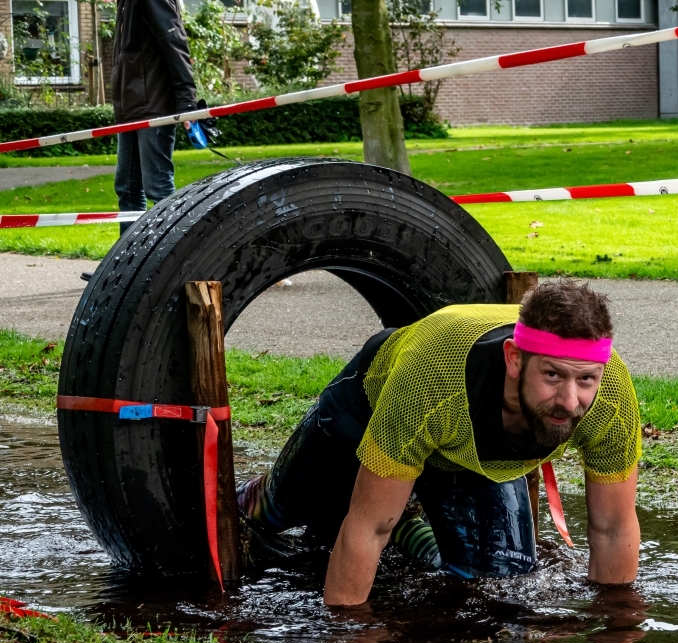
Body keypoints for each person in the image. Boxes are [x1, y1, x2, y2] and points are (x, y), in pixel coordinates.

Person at [237, 280, 644, 607]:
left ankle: (405, 521)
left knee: (496, 580)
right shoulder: (434, 378)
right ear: (514, 359)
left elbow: (613, 529)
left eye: (586, 379)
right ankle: (254, 495)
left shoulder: (611, 397)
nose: (570, 401)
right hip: (366, 411)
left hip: (465, 455)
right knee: (270, 513)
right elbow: (369, 526)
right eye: (552, 375)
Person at [111, 0, 197, 235]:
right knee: (127, 189)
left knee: (158, 187)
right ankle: (128, 257)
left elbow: (175, 42)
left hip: (154, 105)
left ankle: (172, 254)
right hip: (129, 107)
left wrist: (187, 102)